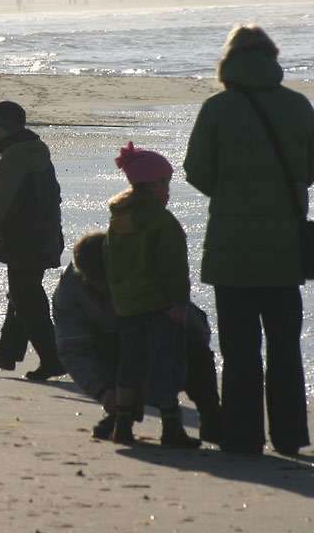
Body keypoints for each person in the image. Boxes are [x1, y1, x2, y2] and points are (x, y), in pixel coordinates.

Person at [183, 25, 314, 456]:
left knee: (239, 348)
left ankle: (243, 435)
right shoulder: (297, 105)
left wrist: (231, 196)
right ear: (272, 59)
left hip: (231, 249)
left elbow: (197, 170)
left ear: (229, 62)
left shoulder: (218, 108)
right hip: (285, 248)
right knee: (285, 347)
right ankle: (289, 436)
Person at [52, 231, 222, 442]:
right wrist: (102, 390)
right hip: (116, 350)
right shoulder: (70, 292)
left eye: (108, 277)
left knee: (195, 350)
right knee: (112, 352)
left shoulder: (147, 276)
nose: (103, 286)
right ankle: (121, 413)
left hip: (167, 344)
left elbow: (195, 327)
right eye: (95, 280)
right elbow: (73, 349)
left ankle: (210, 414)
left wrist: (153, 382)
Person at [103, 142, 200, 448]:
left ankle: (122, 424)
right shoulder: (162, 221)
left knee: (128, 365)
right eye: (167, 182)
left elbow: (109, 265)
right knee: (164, 365)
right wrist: (179, 301)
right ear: (157, 184)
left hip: (127, 305)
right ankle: (171, 427)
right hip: (159, 306)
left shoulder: (117, 221)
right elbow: (173, 268)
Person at [0, 101, 65, 381]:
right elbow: (54, 198)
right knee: (22, 294)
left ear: (7, 128)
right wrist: (56, 234)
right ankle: (8, 353)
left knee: (26, 298)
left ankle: (54, 358)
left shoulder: (14, 159)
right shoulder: (37, 152)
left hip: (24, 241)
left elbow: (1, 208)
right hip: (44, 236)